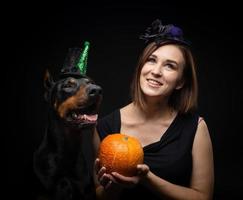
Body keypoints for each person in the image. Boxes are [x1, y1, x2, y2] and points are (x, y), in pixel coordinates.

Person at [93, 19, 214, 200]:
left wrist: (147, 179)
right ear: (141, 66)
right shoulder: (104, 126)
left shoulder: (196, 127)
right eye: (151, 60)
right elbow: (99, 196)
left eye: (169, 66)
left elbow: (203, 197)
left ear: (181, 81)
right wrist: (113, 186)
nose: (156, 71)